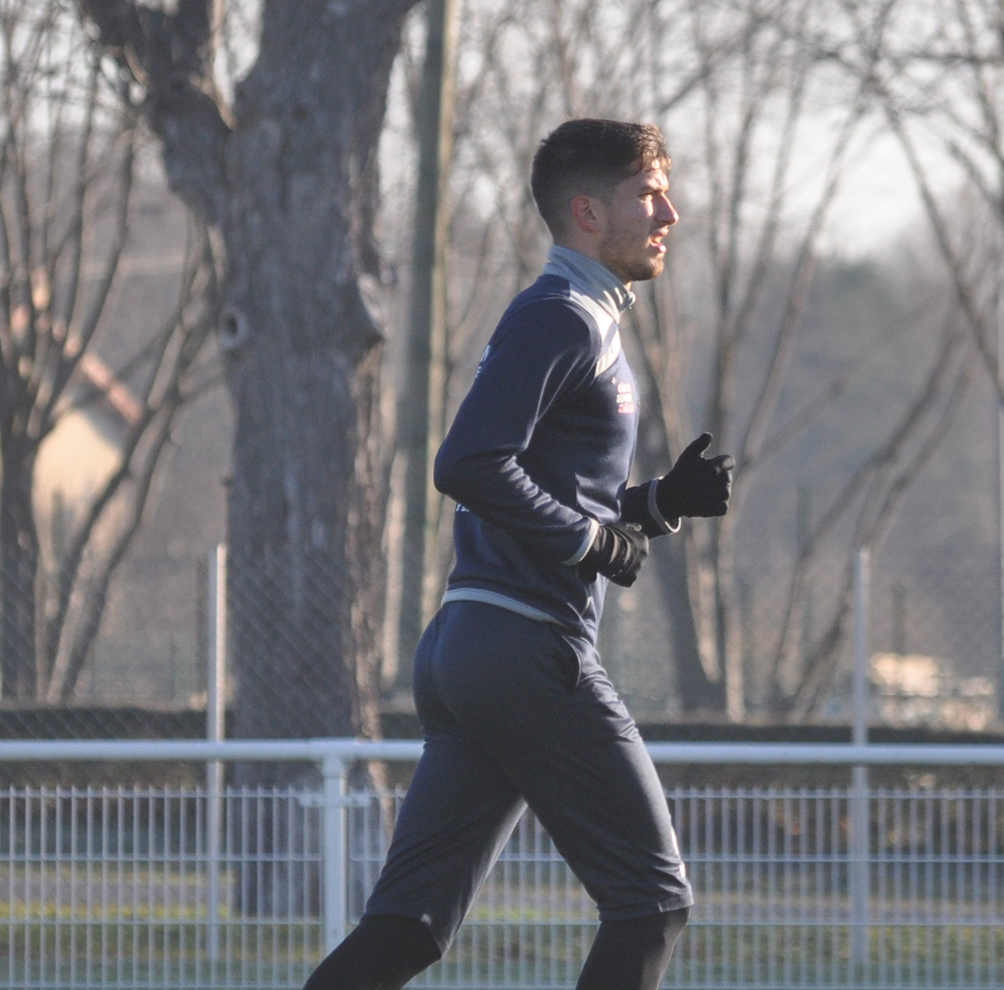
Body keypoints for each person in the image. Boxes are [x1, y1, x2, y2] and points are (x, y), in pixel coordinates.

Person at [302, 119, 733, 990]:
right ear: (586, 212)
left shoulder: (584, 320)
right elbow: (466, 463)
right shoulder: (560, 318)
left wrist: (652, 506)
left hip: (473, 650)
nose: (671, 213)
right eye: (649, 195)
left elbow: (546, 489)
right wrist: (589, 538)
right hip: (528, 650)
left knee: (408, 928)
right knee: (652, 901)